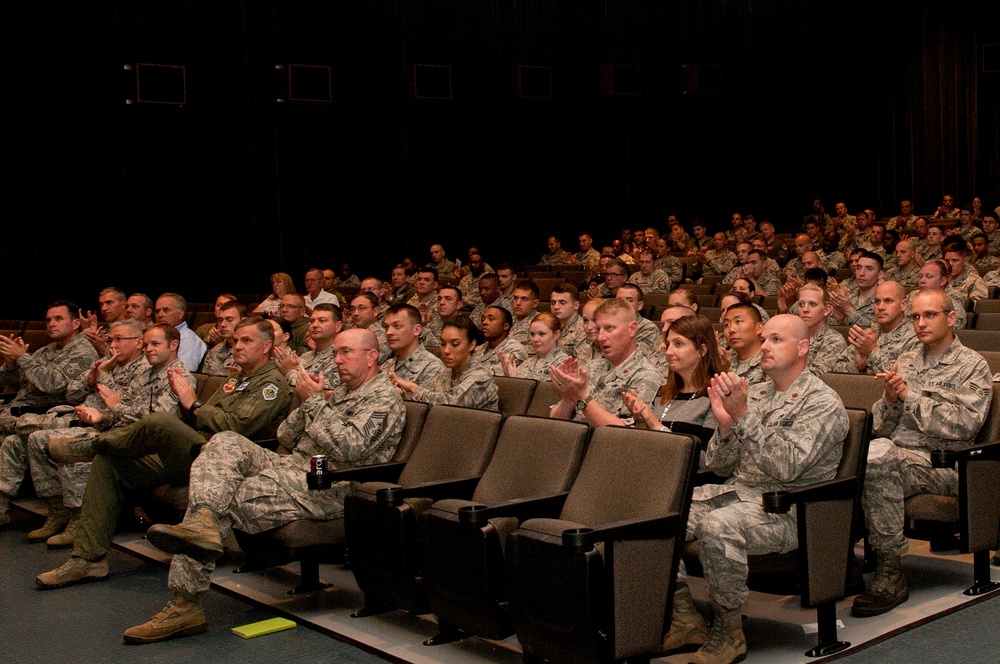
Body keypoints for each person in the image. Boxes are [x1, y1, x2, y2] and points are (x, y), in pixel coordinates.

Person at [125, 328, 405, 643]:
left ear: (372, 356)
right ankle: (202, 522)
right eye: (336, 352)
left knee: (224, 495)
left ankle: (184, 603)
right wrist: (310, 401)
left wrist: (315, 404)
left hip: (331, 486)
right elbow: (287, 435)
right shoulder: (339, 393)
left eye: (346, 353)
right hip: (296, 467)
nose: (337, 360)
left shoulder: (386, 399)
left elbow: (350, 448)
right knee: (225, 442)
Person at [37, 318, 290, 590]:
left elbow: (235, 426)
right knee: (109, 463)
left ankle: (93, 444)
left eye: (246, 341)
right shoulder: (235, 379)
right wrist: (195, 410)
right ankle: (87, 559)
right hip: (195, 454)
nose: (237, 346)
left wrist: (194, 404)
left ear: (266, 346)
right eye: (236, 340)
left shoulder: (272, 384)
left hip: (225, 463)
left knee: (159, 420)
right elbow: (201, 418)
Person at [661, 314, 848, 663]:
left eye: (776, 340)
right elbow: (720, 465)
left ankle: (729, 631)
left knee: (717, 527)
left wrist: (743, 416)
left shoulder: (822, 402)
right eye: (764, 339)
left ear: (803, 348)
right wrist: (726, 424)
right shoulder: (756, 392)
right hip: (738, 493)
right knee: (658, 515)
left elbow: (788, 467)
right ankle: (685, 616)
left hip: (789, 509)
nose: (764, 346)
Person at [853, 289, 991, 617]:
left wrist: (910, 397)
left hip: (944, 465)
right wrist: (888, 399)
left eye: (930, 315)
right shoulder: (908, 359)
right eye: (915, 316)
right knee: (865, 455)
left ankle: (890, 573)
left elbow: (962, 426)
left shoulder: (973, 366)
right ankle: (833, 564)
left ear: (951, 318)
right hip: (895, 454)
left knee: (877, 458)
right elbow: (883, 426)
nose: (920, 323)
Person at [24, 322, 195, 548]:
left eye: (155, 344)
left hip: (150, 448)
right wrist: (101, 417)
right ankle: (60, 511)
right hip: (123, 432)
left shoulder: (180, 377)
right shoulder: (149, 374)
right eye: (146, 345)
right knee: (47, 441)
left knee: (81, 449)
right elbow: (124, 411)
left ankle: (79, 519)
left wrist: (114, 409)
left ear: (173, 345)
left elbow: (155, 422)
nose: (149, 350)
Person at [548, 298, 661, 426]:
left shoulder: (646, 375)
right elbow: (555, 422)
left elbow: (625, 434)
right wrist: (569, 397)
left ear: (632, 329)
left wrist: (581, 396)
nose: (601, 337)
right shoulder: (590, 367)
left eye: (609, 328)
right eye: (599, 329)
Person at [622, 315, 726, 448]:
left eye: (678, 344)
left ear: (702, 350)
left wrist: (655, 425)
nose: (668, 352)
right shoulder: (663, 392)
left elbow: (705, 460)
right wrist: (641, 422)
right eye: (668, 344)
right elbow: (643, 448)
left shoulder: (716, 396)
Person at [390, 315, 498, 410]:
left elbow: (451, 405)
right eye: (442, 344)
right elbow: (428, 403)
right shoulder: (447, 372)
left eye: (455, 344)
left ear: (472, 345)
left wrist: (412, 387)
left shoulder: (481, 376)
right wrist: (403, 395)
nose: (446, 351)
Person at [833, 281, 919, 375]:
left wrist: (872, 352)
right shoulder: (867, 334)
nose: (881, 307)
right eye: (877, 302)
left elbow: (904, 377)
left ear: (903, 304)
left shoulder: (915, 336)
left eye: (888, 301)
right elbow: (836, 368)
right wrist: (858, 366)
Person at [274, 303, 343, 391]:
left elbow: (318, 391)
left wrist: (289, 372)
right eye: (311, 321)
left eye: (322, 320)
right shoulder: (305, 356)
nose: (314, 325)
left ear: (338, 326)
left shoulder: (340, 358)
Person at [381, 304, 446, 396]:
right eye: (386, 327)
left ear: (416, 330)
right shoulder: (387, 366)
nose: (389, 332)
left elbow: (434, 407)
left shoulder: (433, 368)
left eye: (397, 326)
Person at [500, 312, 569, 381]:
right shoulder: (527, 362)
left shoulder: (564, 363)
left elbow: (546, 390)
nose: (535, 339)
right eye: (532, 334)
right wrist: (508, 376)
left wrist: (515, 378)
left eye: (541, 334)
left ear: (556, 335)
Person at [797, 284, 847, 376]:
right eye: (801, 304)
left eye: (812, 304)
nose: (805, 309)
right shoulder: (793, 336)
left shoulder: (834, 340)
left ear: (826, 310)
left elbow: (815, 376)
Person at [154, 293, 207, 372]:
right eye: (157, 311)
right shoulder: (154, 336)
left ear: (180, 314)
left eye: (166, 310)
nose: (160, 315)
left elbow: (183, 373)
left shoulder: (188, 340)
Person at [474, 305, 528, 375]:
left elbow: (496, 377)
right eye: (482, 320)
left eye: (491, 319)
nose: (484, 322)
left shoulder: (515, 349)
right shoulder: (478, 349)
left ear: (505, 326)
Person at [721, 303, 765, 386]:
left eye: (738, 321)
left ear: (759, 328)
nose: (731, 330)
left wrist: (727, 371)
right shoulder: (724, 361)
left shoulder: (770, 360)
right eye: (726, 325)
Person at [198, 300, 244, 376]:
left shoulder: (251, 351)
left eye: (229, 320)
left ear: (243, 321)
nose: (223, 324)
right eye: (220, 320)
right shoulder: (215, 351)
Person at [549, 283, 589, 359]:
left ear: (576, 305)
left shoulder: (583, 329)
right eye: (553, 303)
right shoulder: (550, 327)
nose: (556, 307)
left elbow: (581, 362)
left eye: (562, 302)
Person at [350, 293, 390, 363]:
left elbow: (364, 364)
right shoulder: (350, 333)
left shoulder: (381, 337)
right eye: (352, 309)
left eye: (361, 308)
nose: (355, 313)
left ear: (375, 311)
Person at [508, 280, 540, 348]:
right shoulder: (509, 320)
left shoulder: (541, 323)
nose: (518, 303)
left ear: (535, 303)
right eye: (516, 298)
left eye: (524, 299)